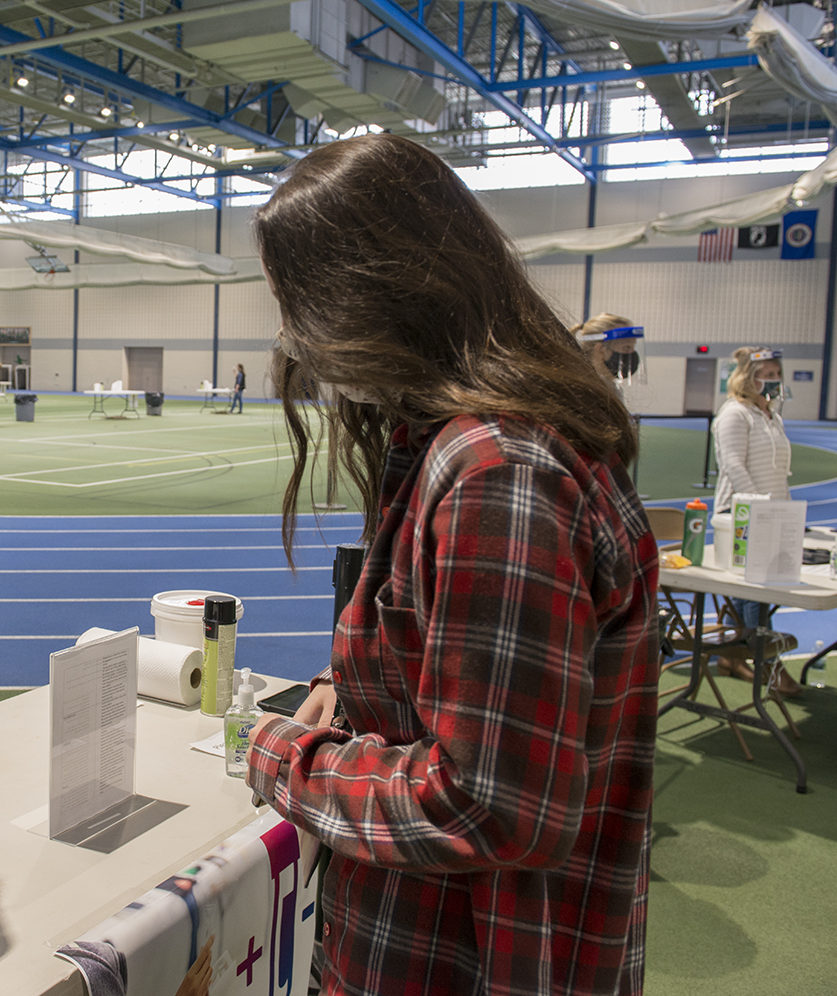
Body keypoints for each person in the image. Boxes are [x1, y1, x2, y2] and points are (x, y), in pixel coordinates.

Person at [244, 135, 659, 996]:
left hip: (466, 961)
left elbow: (490, 805)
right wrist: (353, 685)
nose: (291, 335)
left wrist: (287, 758)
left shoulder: (498, 473)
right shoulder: (467, 444)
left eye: (298, 302)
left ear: (372, 295)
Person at [711, 346, 801, 695]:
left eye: (778, 374)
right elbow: (733, 465)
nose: (774, 380)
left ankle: (732, 657)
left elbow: (780, 473)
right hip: (742, 515)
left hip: (774, 514)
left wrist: (786, 511)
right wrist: (760, 508)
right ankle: (768, 666)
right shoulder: (735, 414)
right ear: (747, 377)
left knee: (753, 592)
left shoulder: (772, 416)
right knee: (755, 593)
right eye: (768, 374)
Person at [572, 313, 644, 391]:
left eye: (633, 347)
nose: (632, 353)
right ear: (600, 350)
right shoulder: (583, 389)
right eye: (627, 347)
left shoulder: (613, 388)